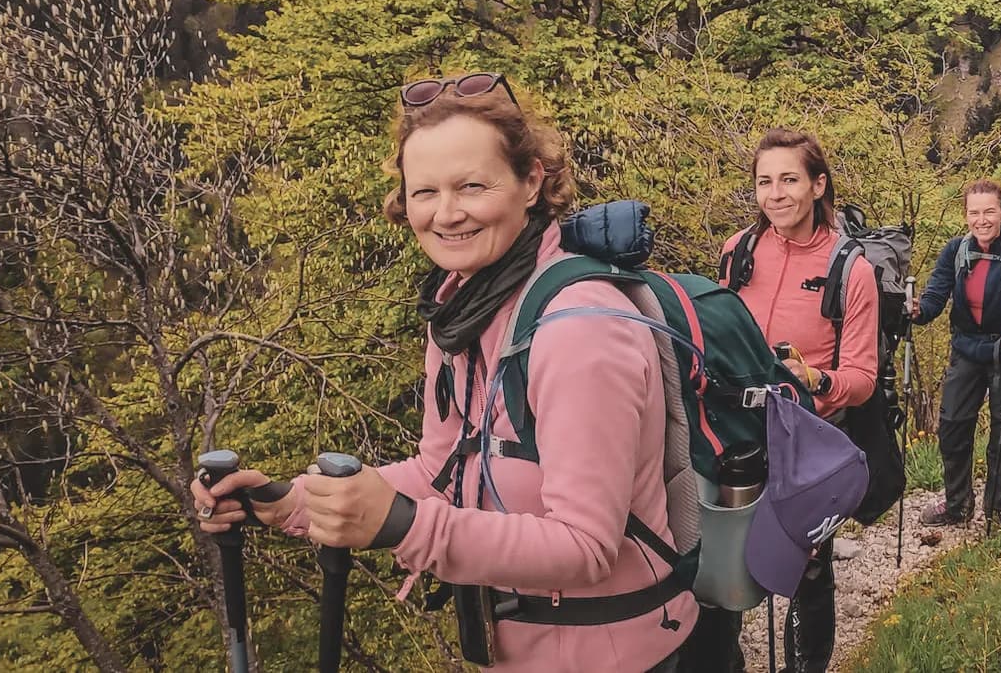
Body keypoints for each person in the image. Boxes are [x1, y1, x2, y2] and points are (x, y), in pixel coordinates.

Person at [191, 72, 696, 672]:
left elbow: (587, 547)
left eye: (472, 186)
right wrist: (295, 503)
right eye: (424, 192)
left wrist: (402, 526)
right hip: (520, 652)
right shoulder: (464, 311)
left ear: (531, 180)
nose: (446, 214)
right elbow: (443, 469)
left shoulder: (580, 331)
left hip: (617, 656)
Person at [678, 128, 880, 673]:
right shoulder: (737, 252)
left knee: (807, 567)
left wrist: (811, 377)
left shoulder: (850, 270)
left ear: (818, 185)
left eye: (790, 179)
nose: (776, 194)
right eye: (765, 181)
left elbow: (862, 376)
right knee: (720, 557)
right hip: (736, 430)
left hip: (807, 436)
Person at [911, 178, 1001, 528]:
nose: (981, 219)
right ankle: (958, 505)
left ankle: (997, 515)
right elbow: (934, 299)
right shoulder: (955, 251)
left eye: (989, 211)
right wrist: (916, 311)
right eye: (974, 212)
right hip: (967, 350)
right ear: (966, 215)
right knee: (953, 426)